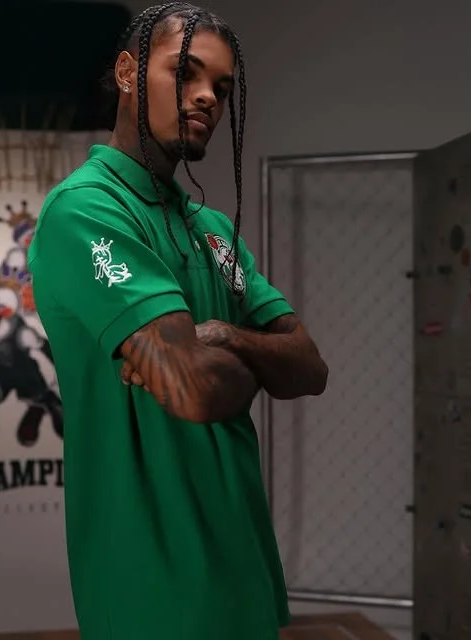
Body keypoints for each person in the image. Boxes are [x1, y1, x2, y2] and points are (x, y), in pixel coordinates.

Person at [28, 3, 328, 639]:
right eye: (185, 72)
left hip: (243, 561)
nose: (207, 97)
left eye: (221, 86)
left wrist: (224, 337)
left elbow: (309, 367)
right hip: (151, 588)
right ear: (128, 73)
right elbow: (194, 388)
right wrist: (249, 359)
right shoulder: (85, 212)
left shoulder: (212, 230)